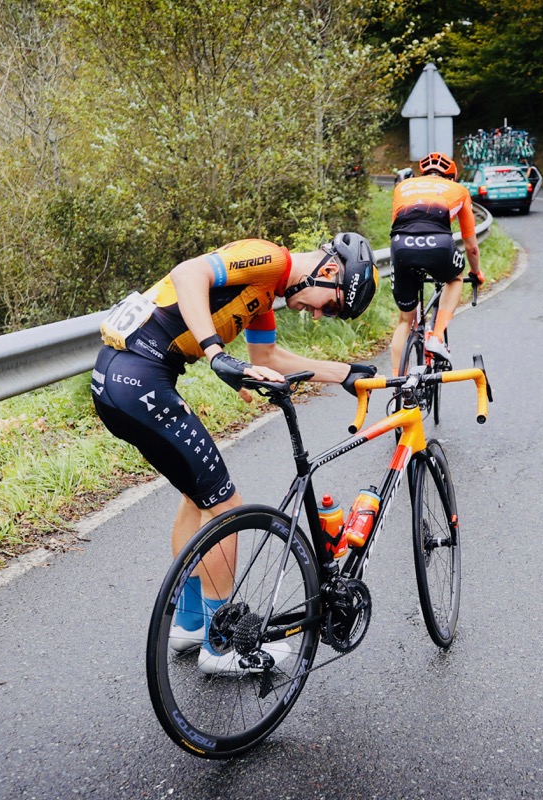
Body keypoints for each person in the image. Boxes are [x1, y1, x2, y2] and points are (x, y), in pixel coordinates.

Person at [91, 232, 379, 674]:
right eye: (330, 304)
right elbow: (189, 273)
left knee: (197, 497)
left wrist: (345, 374)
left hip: (122, 378)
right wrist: (215, 354)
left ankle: (189, 623)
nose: (320, 315)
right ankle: (222, 644)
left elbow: (269, 355)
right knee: (226, 505)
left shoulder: (264, 296)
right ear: (328, 271)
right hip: (137, 378)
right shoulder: (270, 261)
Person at [388, 151, 484, 375]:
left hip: (401, 246)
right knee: (455, 277)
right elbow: (471, 246)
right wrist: (476, 272)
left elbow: (398, 226)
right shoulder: (458, 190)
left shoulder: (403, 187)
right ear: (451, 177)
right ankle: (437, 336)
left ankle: (398, 388)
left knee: (405, 321)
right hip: (439, 244)